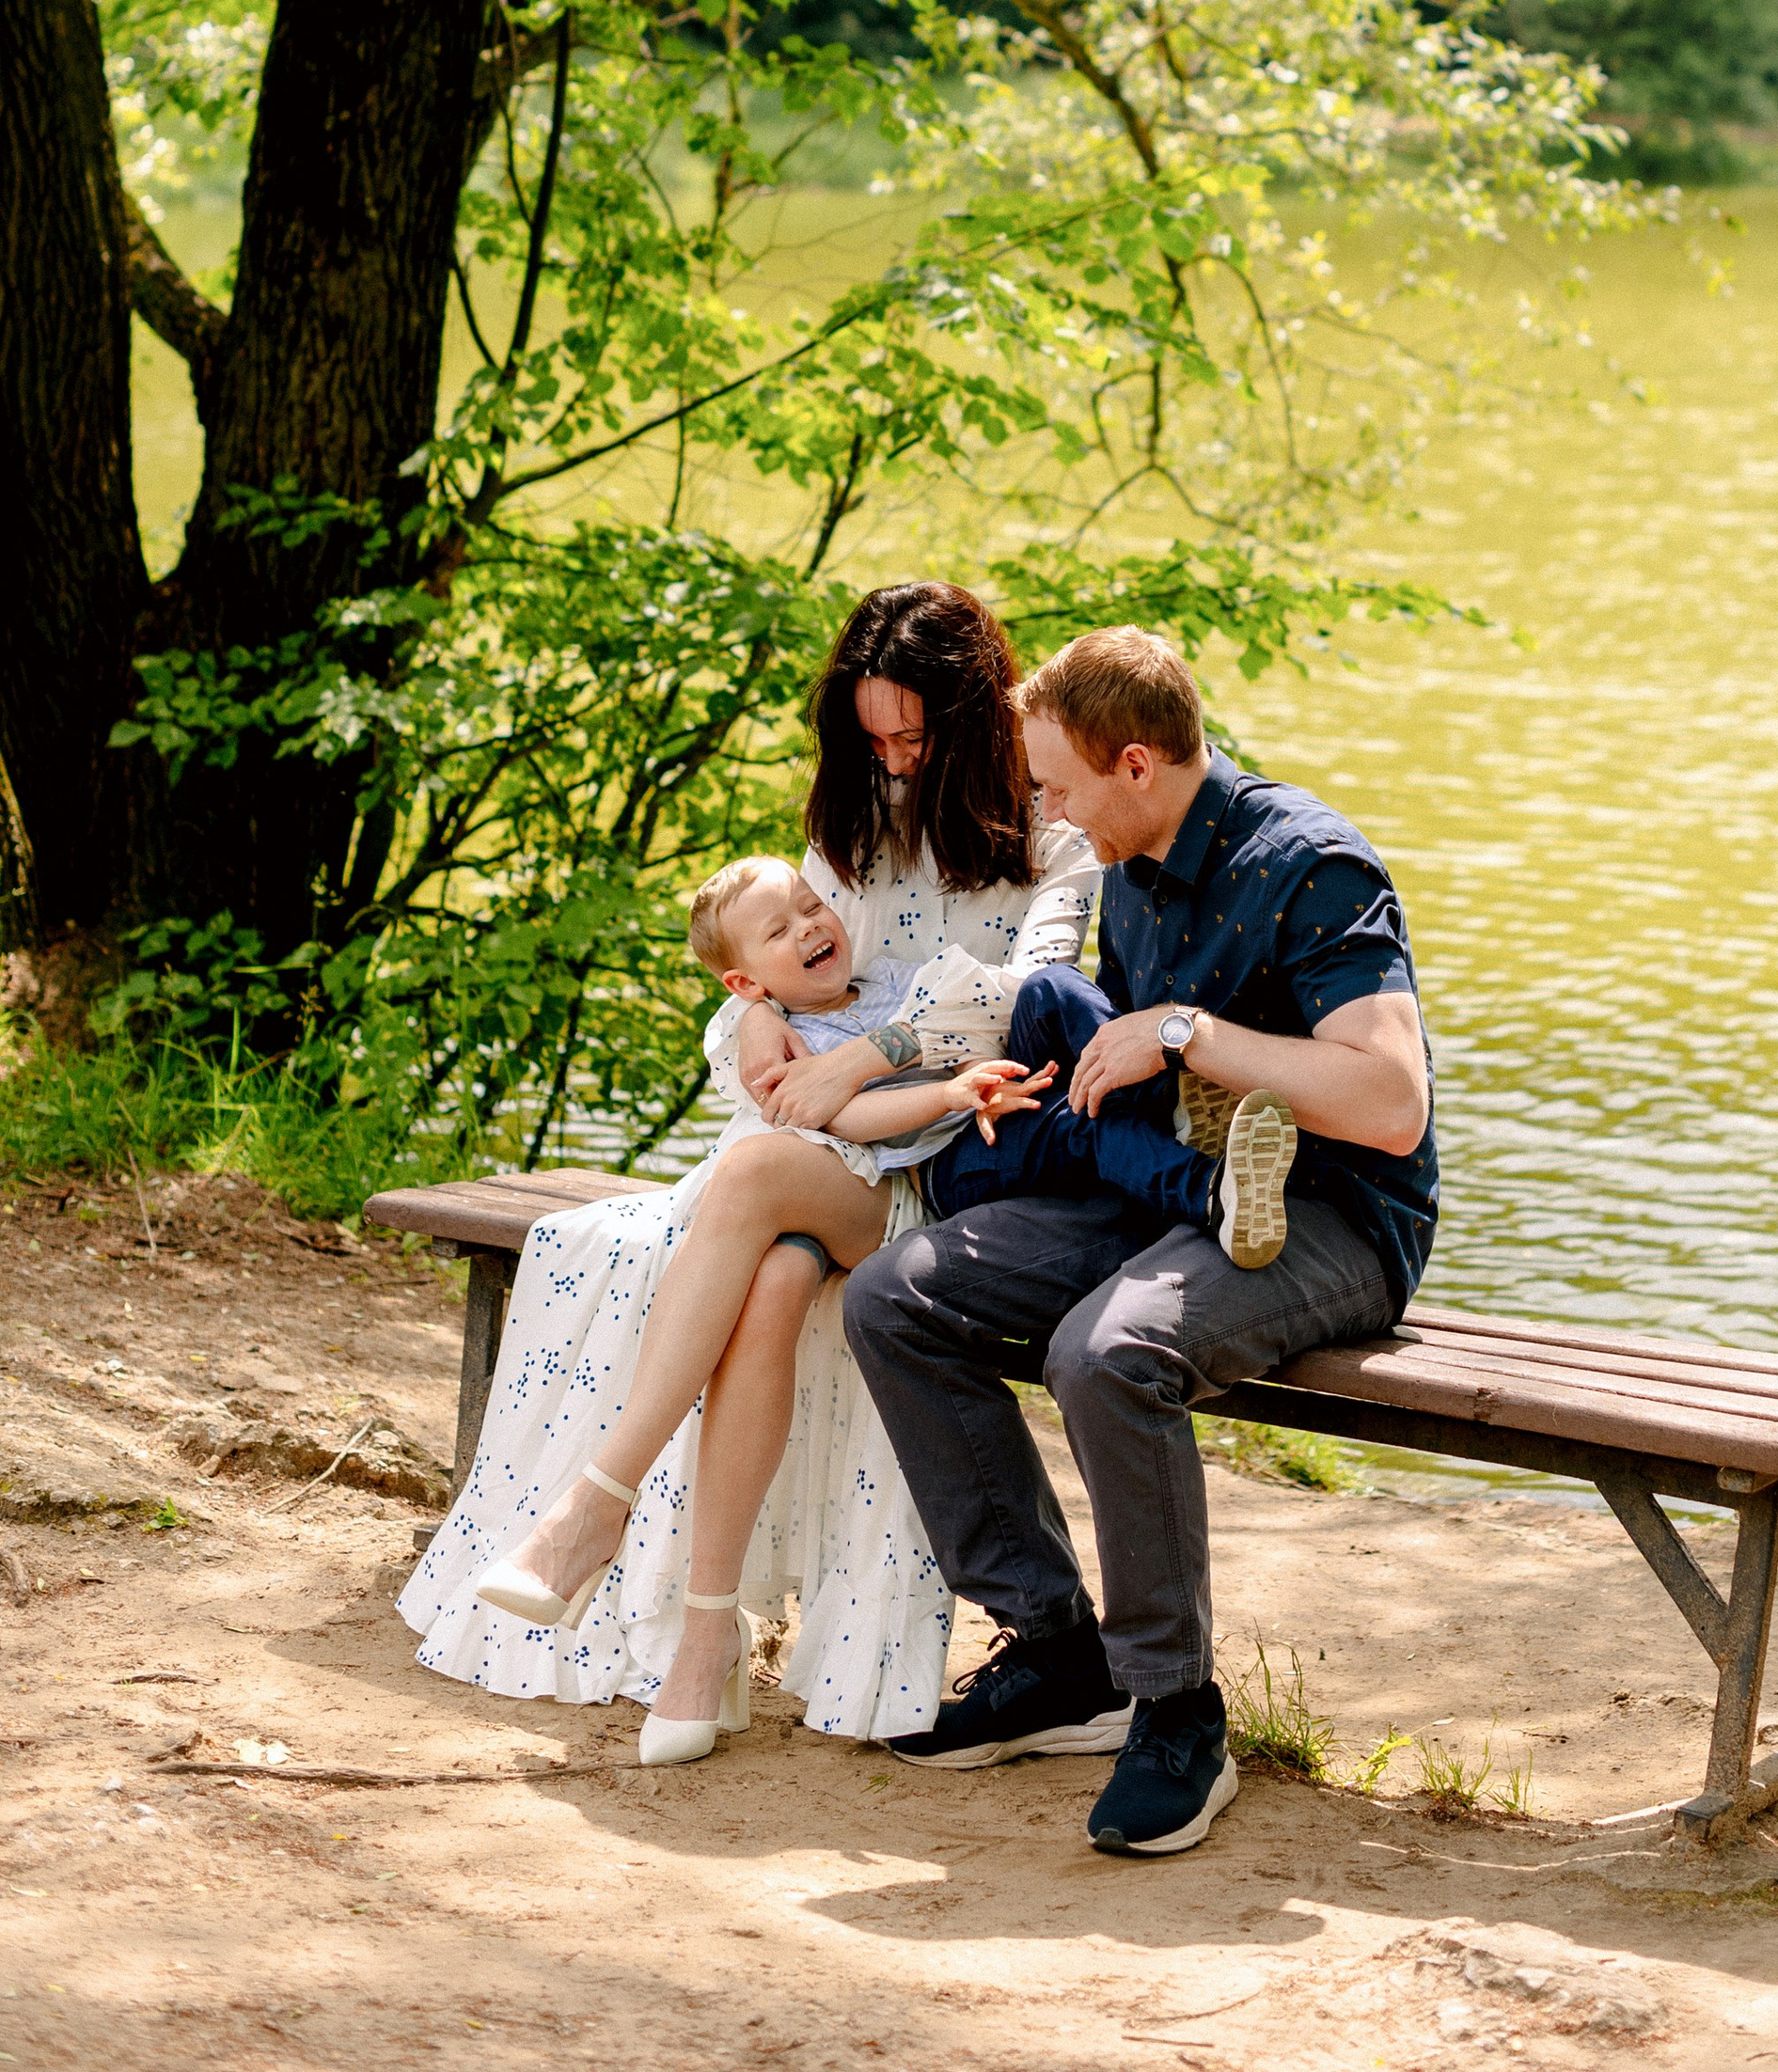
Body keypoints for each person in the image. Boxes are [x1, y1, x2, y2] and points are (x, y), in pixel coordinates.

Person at [401, 582, 1085, 1747]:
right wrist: (753, 1023)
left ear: (974, 711)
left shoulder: (1053, 831)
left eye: (914, 731)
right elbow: (770, 960)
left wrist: (872, 1052)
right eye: (871, 735)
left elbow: (1035, 1003)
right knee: (769, 1278)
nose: (895, 757)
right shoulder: (859, 819)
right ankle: (704, 1650)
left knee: (755, 1175)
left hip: (956, 1157)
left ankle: (592, 1505)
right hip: (825, 1150)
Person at [840, 625, 1440, 1860]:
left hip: (1333, 1215)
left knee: (1104, 1354)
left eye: (1055, 785)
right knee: (896, 1298)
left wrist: (1181, 1030)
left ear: (1132, 764)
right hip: (1184, 1190)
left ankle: (1175, 1710)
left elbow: (1391, 1105)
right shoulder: (1133, 864)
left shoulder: (1313, 863)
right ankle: (1059, 1657)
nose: (1043, 810)